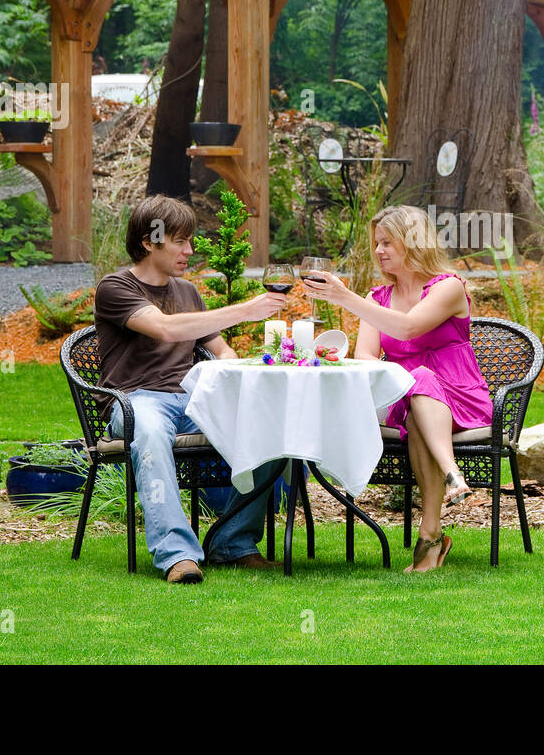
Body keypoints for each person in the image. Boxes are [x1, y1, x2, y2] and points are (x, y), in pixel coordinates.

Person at [94, 195, 287, 583]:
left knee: (273, 424)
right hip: (135, 401)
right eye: (180, 241)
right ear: (150, 242)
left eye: (190, 240)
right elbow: (165, 328)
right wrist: (247, 310)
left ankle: (233, 542)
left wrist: (239, 377)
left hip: (191, 399)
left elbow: (221, 350)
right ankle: (177, 555)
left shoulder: (187, 291)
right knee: (149, 430)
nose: (189, 250)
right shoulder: (115, 287)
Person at [302, 205, 492, 573]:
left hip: (460, 394)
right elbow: (365, 356)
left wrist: (344, 297)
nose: (379, 251)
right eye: (376, 243)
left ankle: (441, 507)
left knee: (420, 379)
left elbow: (407, 329)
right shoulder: (378, 298)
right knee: (416, 387)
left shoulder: (449, 286)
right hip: (405, 399)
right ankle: (433, 530)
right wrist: (358, 305)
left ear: (413, 242)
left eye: (387, 242)